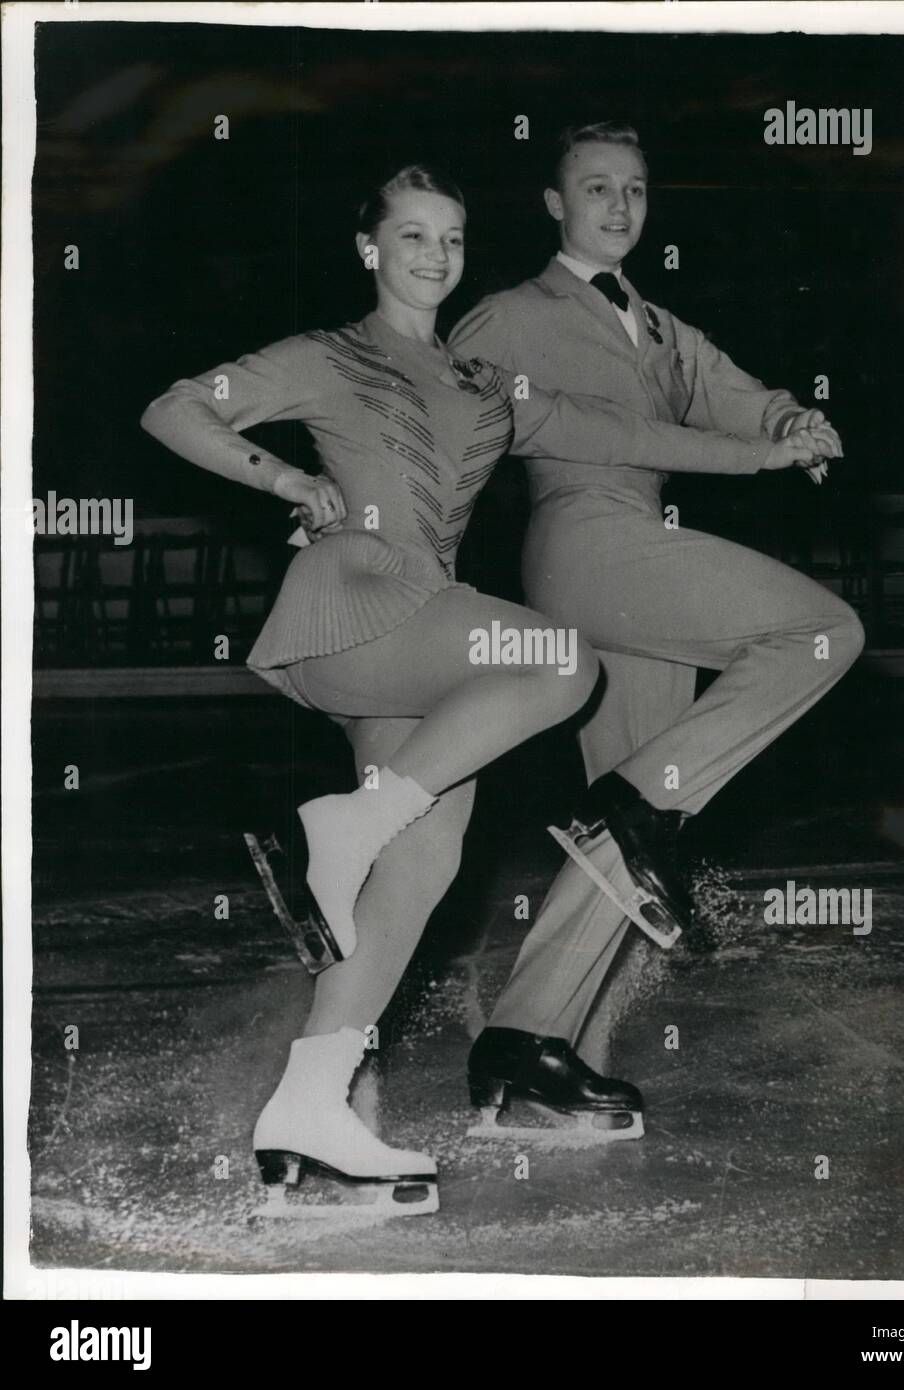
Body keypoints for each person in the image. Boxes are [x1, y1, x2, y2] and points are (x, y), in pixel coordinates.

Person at [140, 164, 816, 1215]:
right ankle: (342, 823)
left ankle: (307, 1112)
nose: (434, 256)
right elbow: (176, 409)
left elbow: (611, 434)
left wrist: (761, 450)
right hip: (356, 598)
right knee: (555, 659)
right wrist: (287, 481)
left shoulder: (479, 379)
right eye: (411, 237)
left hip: (422, 637)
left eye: (450, 239)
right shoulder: (327, 354)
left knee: (418, 863)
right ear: (370, 248)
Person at [448, 122, 864, 1140]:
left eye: (633, 188)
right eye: (595, 188)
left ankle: (527, 1047)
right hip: (585, 542)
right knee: (822, 630)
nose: (618, 206)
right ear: (554, 204)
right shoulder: (508, 313)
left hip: (635, 553)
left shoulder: (657, 324)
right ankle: (640, 805)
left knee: (623, 828)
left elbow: (729, 391)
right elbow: (456, 399)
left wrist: (786, 425)